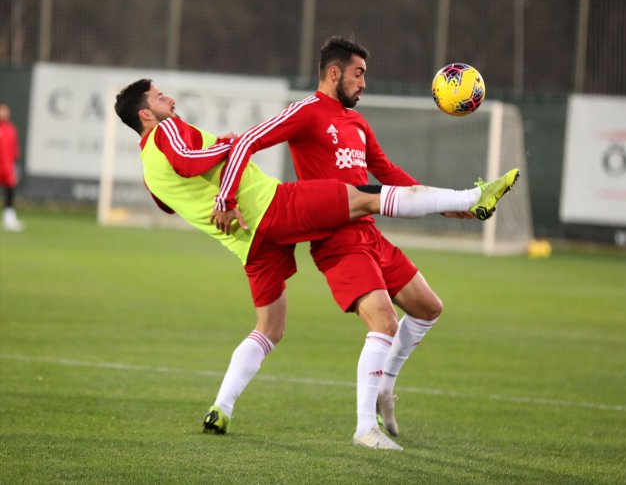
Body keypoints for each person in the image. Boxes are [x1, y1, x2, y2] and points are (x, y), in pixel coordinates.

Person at [115, 78, 516, 447]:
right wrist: (228, 145)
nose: (170, 98)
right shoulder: (168, 130)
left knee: (269, 330)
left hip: (248, 245)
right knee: (363, 198)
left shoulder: (149, 172)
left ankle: (221, 407)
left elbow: (170, 203)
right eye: (158, 96)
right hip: (270, 206)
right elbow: (189, 160)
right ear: (146, 114)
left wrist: (219, 194)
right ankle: (469, 198)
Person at [212, 36, 520, 450]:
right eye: (358, 74)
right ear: (334, 73)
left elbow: (386, 171)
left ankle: (385, 385)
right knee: (384, 322)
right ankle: (364, 429)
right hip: (336, 239)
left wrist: (443, 209)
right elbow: (248, 141)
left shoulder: (357, 123)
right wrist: (226, 198)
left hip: (369, 233)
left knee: (429, 308)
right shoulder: (306, 111)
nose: (363, 83)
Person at [0, 103, 24, 232]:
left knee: (9, 192)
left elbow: (14, 149)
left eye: (5, 111)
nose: (3, 113)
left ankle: (9, 219)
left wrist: (15, 165)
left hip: (7, 167)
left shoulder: (11, 129)